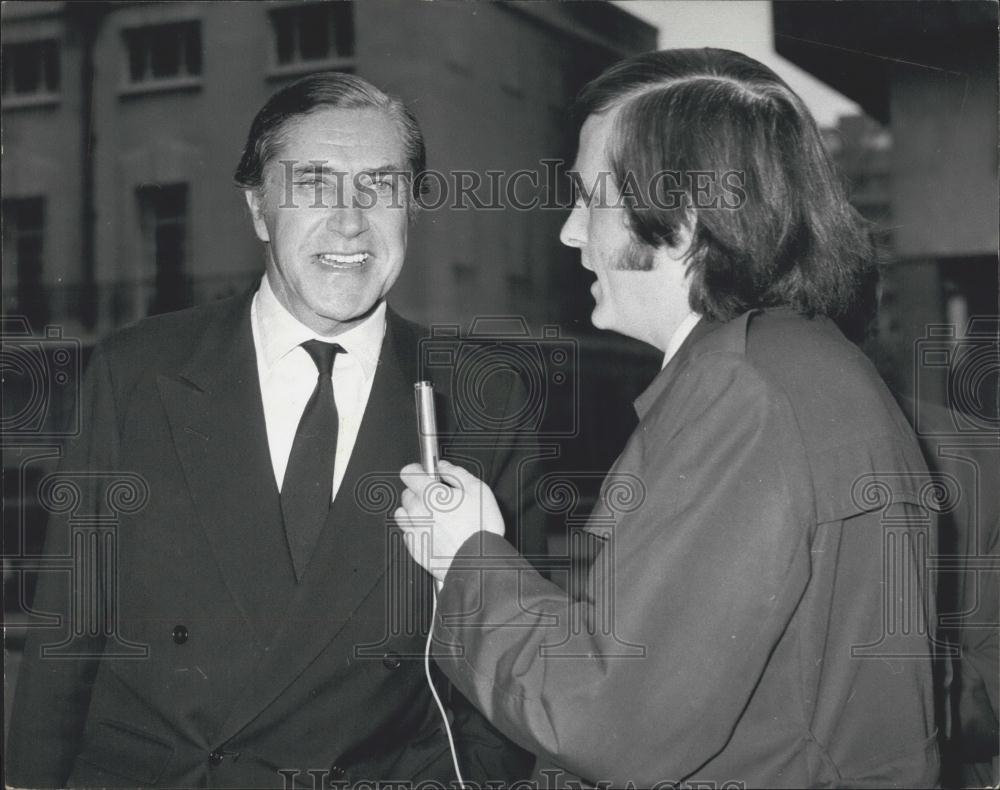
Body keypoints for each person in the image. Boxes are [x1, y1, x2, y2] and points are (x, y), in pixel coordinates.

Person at [397, 48, 940, 788]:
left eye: (591, 198)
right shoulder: (799, 366)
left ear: (683, 218)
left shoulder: (744, 395)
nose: (569, 231)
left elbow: (606, 718)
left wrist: (466, 557)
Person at [7, 73, 544, 787]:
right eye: (315, 184)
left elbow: (507, 672)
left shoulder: (483, 400)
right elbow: (68, 627)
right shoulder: (139, 370)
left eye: (380, 186)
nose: (351, 221)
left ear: (410, 207)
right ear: (259, 208)